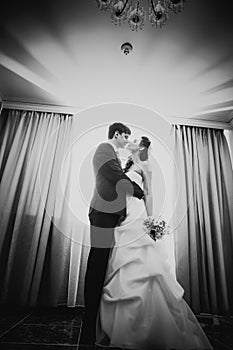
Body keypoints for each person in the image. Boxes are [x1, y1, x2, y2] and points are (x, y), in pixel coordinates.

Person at [96, 136, 213, 350]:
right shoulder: (126, 165)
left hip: (137, 214)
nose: (129, 140)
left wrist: (150, 221)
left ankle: (147, 324)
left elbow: (148, 194)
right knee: (121, 263)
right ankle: (122, 324)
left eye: (134, 139)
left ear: (141, 146)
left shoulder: (145, 165)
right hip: (122, 214)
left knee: (142, 262)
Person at [79, 123, 144, 347]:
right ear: (116, 134)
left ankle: (98, 317)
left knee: (104, 263)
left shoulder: (115, 154)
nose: (127, 140)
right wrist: (139, 191)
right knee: (97, 261)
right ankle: (88, 321)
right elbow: (115, 177)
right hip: (103, 214)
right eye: (126, 136)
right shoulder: (103, 148)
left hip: (114, 216)